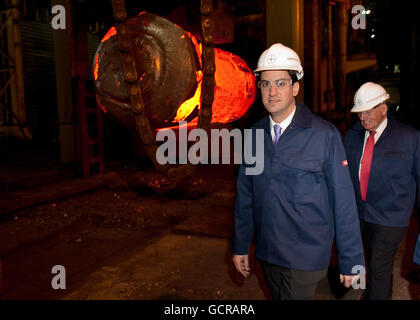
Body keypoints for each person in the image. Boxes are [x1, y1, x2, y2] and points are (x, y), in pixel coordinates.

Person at [231, 43, 365, 300]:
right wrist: (240, 245)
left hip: (305, 256)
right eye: (265, 84)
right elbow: (245, 195)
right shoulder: (255, 136)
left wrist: (351, 259)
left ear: (295, 87)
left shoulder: (324, 135)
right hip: (267, 254)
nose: (271, 92)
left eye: (280, 83)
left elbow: (343, 201)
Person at [343, 82, 420, 300]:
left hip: (391, 217)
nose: (363, 118)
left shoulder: (409, 138)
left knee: (379, 263)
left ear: (383, 108)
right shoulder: (353, 136)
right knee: (371, 262)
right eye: (360, 113)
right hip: (361, 215)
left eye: (368, 112)